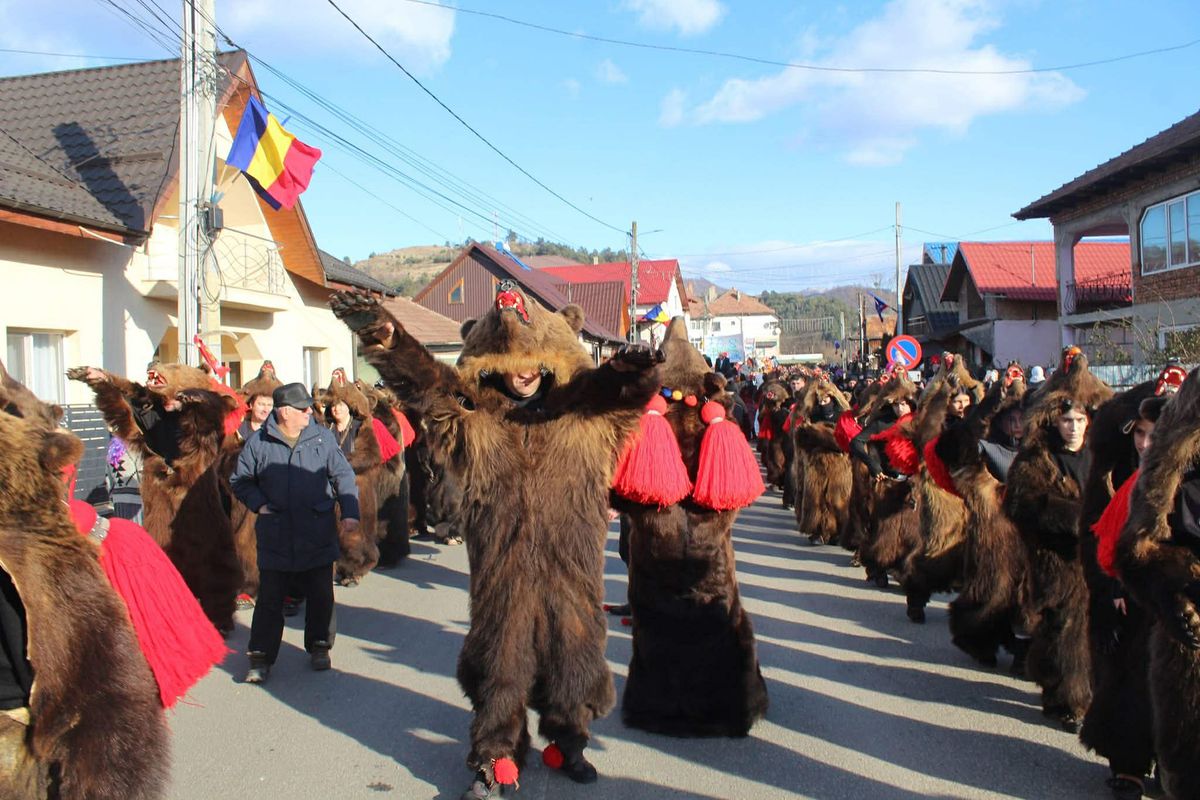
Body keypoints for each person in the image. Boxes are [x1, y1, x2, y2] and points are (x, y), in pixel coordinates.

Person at [231, 382, 361, 684]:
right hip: (275, 532)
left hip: (316, 529)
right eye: (303, 409)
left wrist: (351, 513)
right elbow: (241, 481)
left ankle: (319, 645)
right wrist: (259, 504)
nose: (309, 412)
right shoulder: (259, 443)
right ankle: (261, 656)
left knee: (320, 594)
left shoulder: (322, 438)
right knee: (270, 598)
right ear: (284, 412)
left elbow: (342, 475)